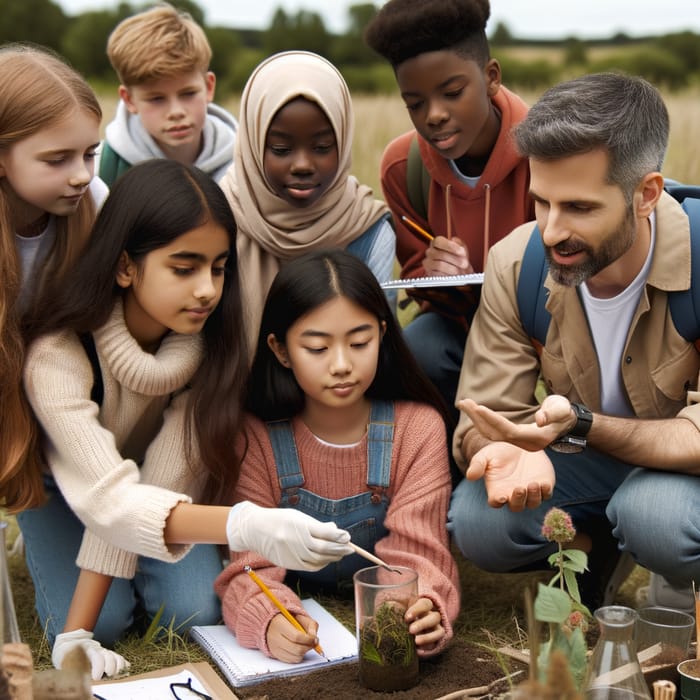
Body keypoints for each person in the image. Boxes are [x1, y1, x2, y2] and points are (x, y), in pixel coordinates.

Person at [18, 160, 354, 679]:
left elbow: (159, 479)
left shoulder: (208, 351)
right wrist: (77, 632)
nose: (207, 290)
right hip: (70, 487)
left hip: (149, 489)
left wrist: (244, 525)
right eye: (184, 267)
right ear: (126, 266)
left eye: (218, 267)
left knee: (193, 611)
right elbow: (109, 499)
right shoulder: (58, 356)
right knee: (102, 625)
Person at [448, 72, 699, 612]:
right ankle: (597, 555)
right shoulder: (517, 261)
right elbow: (482, 417)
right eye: (542, 202)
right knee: (477, 521)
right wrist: (504, 448)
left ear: (646, 194)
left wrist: (582, 425)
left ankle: (679, 578)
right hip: (584, 456)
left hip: (682, 472)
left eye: (580, 208)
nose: (552, 230)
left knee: (656, 518)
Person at [214, 249, 460, 662]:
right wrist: (272, 621)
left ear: (383, 333)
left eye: (360, 342)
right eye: (317, 348)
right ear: (280, 349)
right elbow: (249, 567)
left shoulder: (419, 428)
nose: (342, 365)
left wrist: (418, 608)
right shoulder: (254, 435)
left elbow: (420, 553)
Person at [364, 0, 532, 415]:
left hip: (549, 328)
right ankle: (446, 473)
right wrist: (434, 275)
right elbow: (417, 277)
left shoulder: (550, 154)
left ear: (491, 77)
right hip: (460, 327)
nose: (434, 115)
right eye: (414, 103)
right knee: (416, 350)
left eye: (452, 93)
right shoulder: (404, 168)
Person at [218, 50, 396, 350]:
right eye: (281, 149)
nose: (302, 165)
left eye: (323, 147)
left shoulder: (367, 230)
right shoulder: (220, 216)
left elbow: (381, 348)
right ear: (252, 143)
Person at [0, 43, 109, 515]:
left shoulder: (96, 201)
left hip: (62, 390)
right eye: (57, 159)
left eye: (90, 153)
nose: (81, 175)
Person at [98, 3, 237, 186]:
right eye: (157, 99)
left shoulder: (244, 166)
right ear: (129, 99)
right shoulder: (100, 168)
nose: (176, 112)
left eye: (188, 94)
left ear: (209, 87)